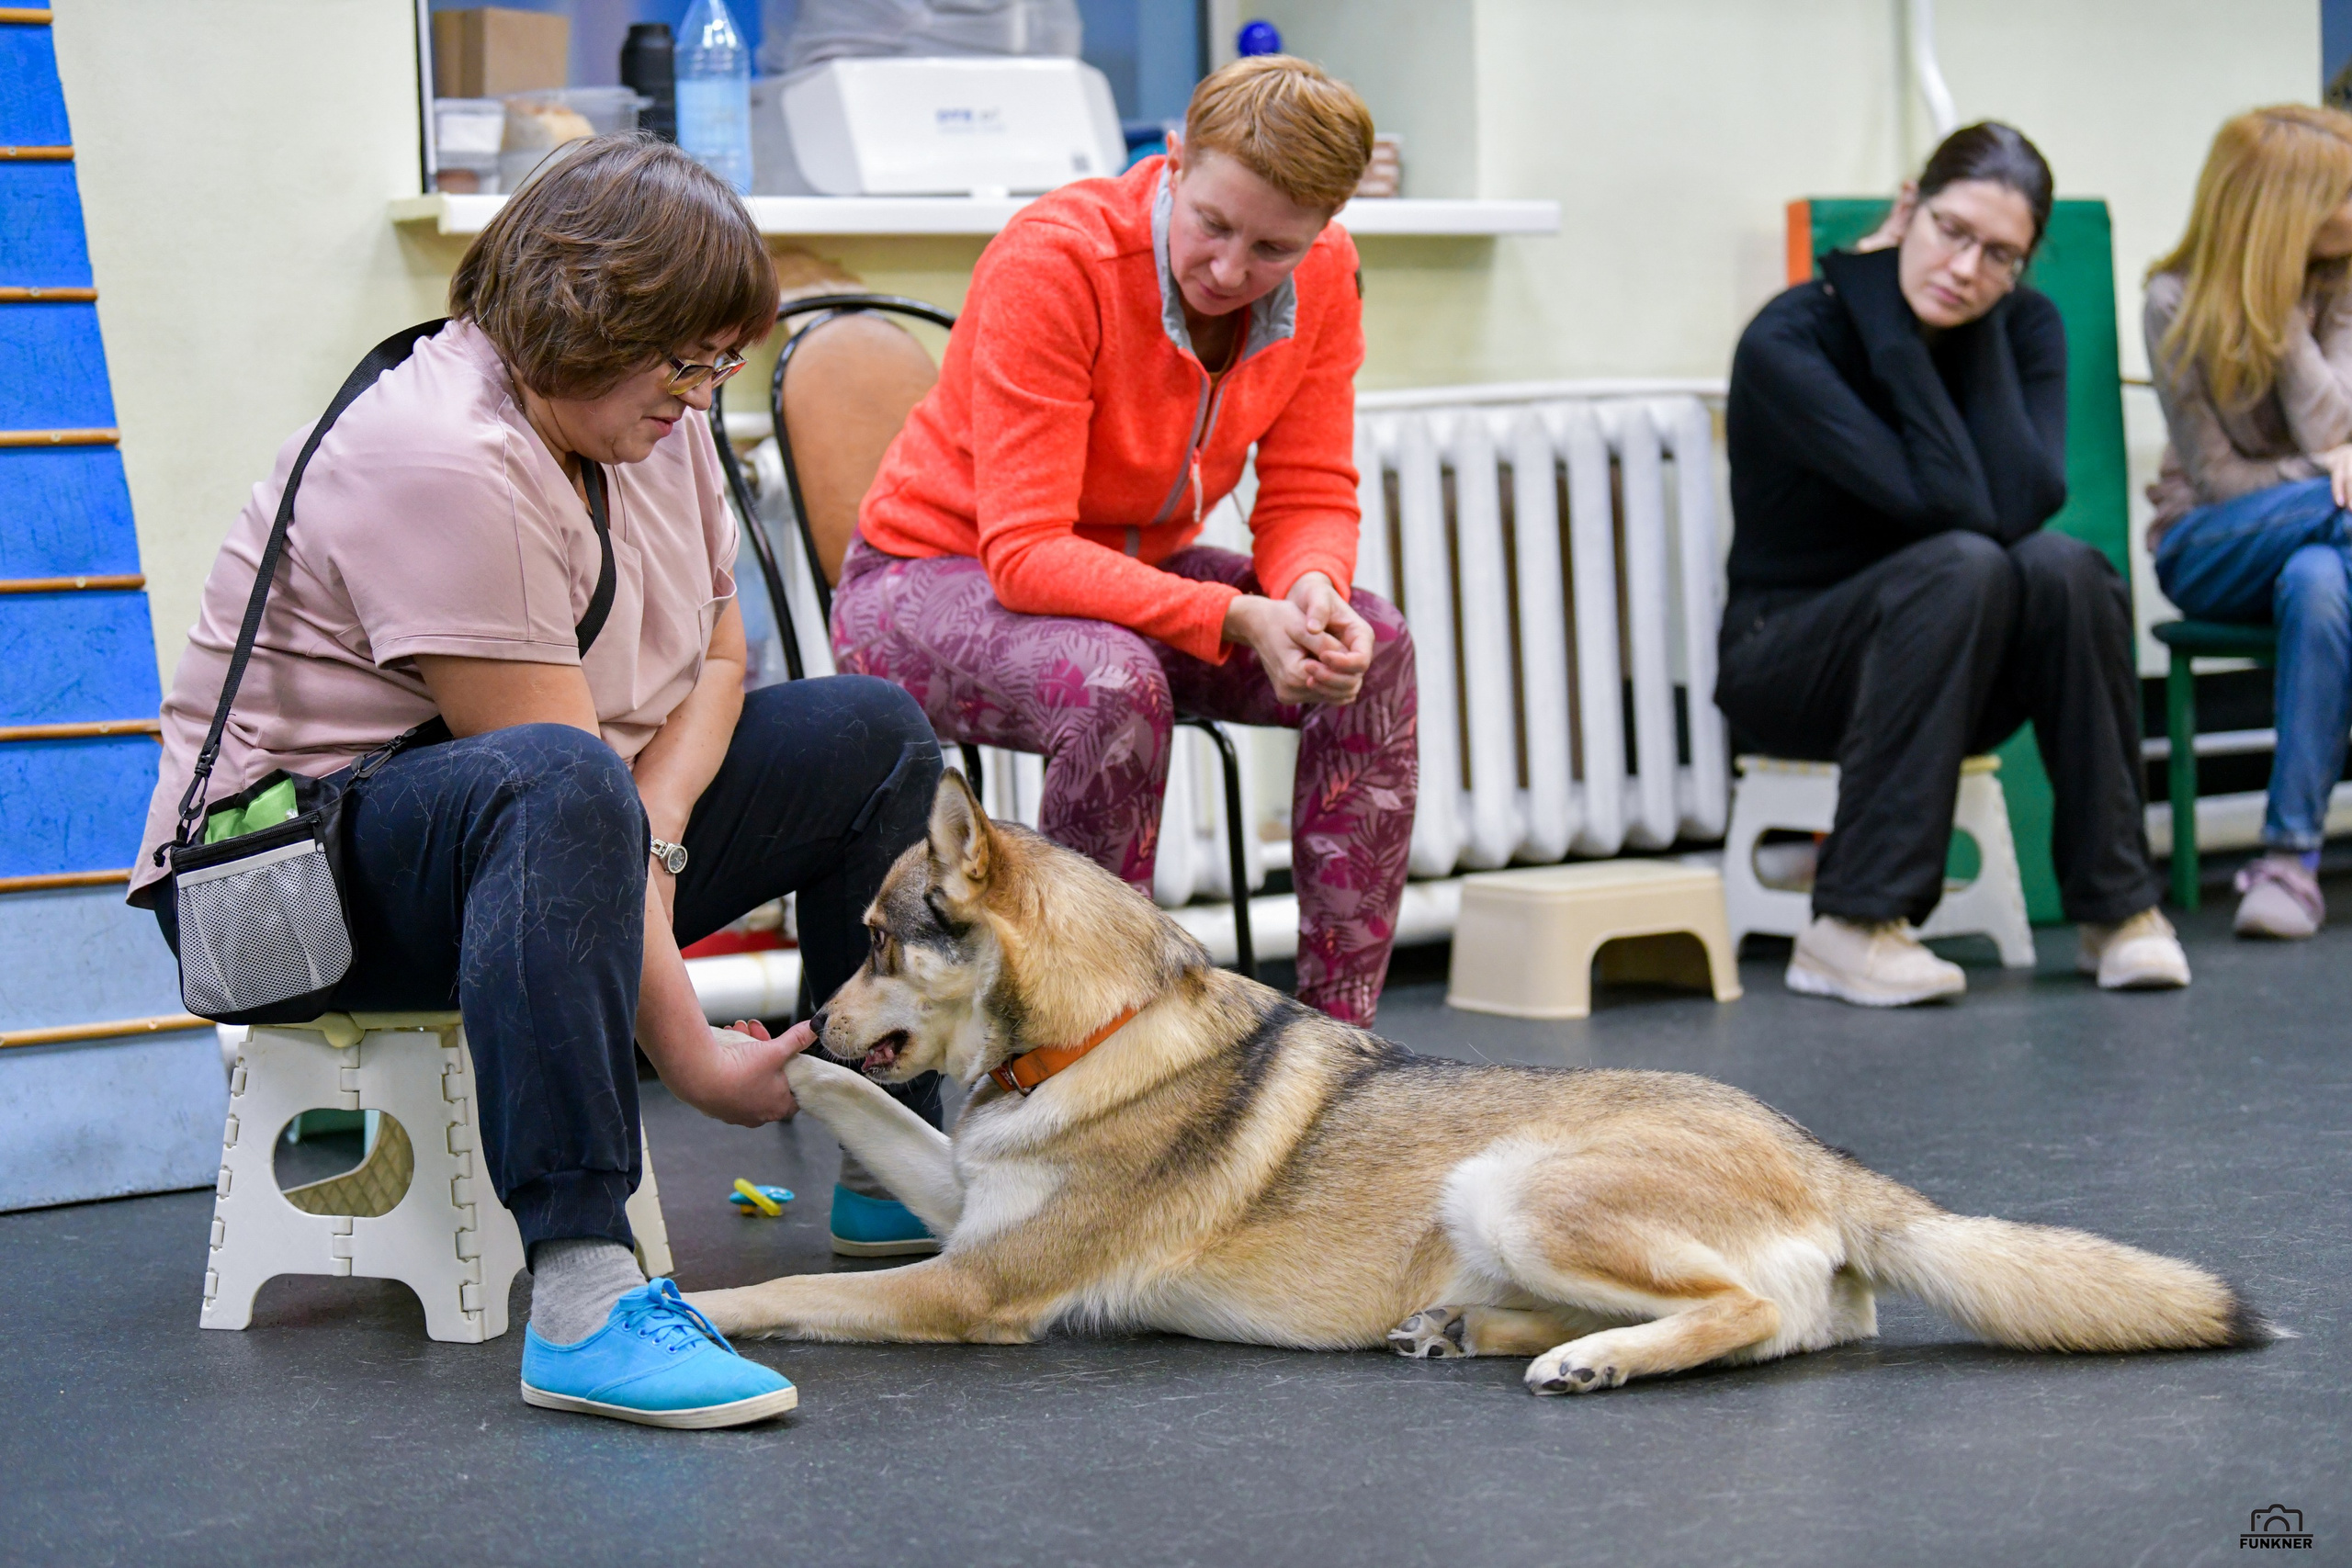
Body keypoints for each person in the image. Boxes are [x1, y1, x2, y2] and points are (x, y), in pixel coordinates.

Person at [132, 137, 943, 1428]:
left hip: (553, 834)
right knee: (563, 779)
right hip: (289, 889)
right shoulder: (441, 456)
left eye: (717, 359)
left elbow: (721, 656)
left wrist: (661, 823)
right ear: (582, 318)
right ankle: (581, 1294)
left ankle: (888, 1147)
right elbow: (555, 769)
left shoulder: (644, 420)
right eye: (683, 358)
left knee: (873, 728)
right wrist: (693, 1054)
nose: (703, 390)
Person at [831, 55, 1418, 1026]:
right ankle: (1080, 1039)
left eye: (1273, 247)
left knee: (1375, 644)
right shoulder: (1055, 259)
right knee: (1112, 681)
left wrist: (1311, 588)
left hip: (1124, 584)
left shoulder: (1327, 277)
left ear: (1324, 229)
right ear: (1174, 162)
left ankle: (1339, 1049)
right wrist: (1234, 614)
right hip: (924, 579)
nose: (1231, 271)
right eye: (1213, 225)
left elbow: (1309, 486)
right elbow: (1024, 553)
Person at [1716, 121, 2187, 1007]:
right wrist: (1885, 322)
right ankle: (1850, 925)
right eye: (1952, 232)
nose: (1968, 269)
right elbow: (1946, 508)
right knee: (1964, 562)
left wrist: (1971, 335)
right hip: (1787, 660)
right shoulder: (1793, 340)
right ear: (1907, 208)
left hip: (1948, 658)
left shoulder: (2023, 325)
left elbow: (2021, 503)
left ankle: (2118, 910)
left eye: (2001, 255)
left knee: (2067, 569)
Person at [2146, 106, 2352, 940]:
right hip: (2210, 545)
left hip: (2326, 545)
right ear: (2283, 212)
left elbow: (2337, 431)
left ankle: (2289, 862)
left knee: (2321, 579)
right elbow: (2222, 479)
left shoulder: (2339, 283)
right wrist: (2324, 476)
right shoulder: (2172, 303)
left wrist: (2289, 324)